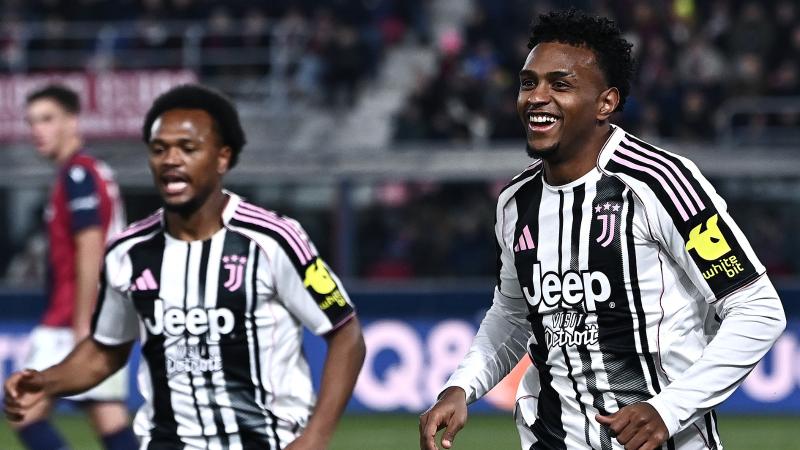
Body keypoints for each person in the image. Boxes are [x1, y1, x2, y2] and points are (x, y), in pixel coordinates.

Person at [419, 9, 785, 450]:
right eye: (528, 83)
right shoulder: (515, 203)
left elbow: (758, 309)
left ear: (605, 103)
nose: (537, 97)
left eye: (560, 85)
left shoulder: (661, 182)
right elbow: (513, 314)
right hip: (551, 438)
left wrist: (669, 410)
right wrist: (462, 385)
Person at [4, 84, 367, 449]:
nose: (171, 159)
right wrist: (46, 381)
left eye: (188, 148)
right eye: (159, 149)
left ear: (222, 158)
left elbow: (345, 332)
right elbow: (104, 353)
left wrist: (315, 437)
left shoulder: (274, 239)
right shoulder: (128, 253)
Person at [9, 84, 137, 450]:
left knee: (23, 411)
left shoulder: (78, 175)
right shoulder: (88, 171)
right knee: (108, 416)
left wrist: (83, 323)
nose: (38, 130)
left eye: (47, 119)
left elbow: (90, 246)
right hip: (96, 314)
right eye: (32, 121)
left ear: (72, 121)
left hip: (72, 319)